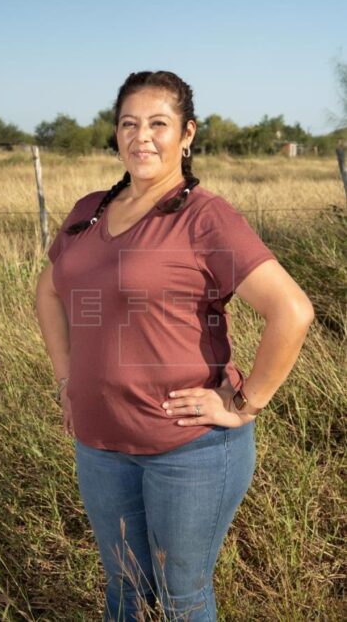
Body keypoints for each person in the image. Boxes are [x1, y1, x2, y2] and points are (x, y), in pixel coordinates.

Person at [36, 71, 315, 621]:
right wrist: (66, 378)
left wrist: (244, 403)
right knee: (124, 588)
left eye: (158, 124)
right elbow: (48, 293)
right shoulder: (88, 210)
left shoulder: (205, 218)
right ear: (115, 133)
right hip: (99, 444)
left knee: (181, 594)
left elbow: (292, 311)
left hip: (189, 450)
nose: (142, 136)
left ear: (187, 134)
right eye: (129, 123)